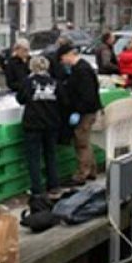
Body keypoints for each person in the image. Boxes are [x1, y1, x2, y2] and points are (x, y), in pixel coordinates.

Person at [16, 56, 61, 198]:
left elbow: (20, 99)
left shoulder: (28, 82)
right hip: (52, 123)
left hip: (33, 124)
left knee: (34, 158)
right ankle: (53, 185)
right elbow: (63, 99)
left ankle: (37, 189)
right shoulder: (55, 82)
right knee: (51, 155)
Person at [58, 44, 101, 185]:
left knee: (81, 142)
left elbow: (86, 95)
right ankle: (92, 170)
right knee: (86, 142)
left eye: (62, 59)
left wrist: (77, 110)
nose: (63, 62)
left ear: (68, 55)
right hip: (88, 110)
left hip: (85, 112)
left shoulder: (81, 71)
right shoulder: (82, 68)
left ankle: (82, 173)